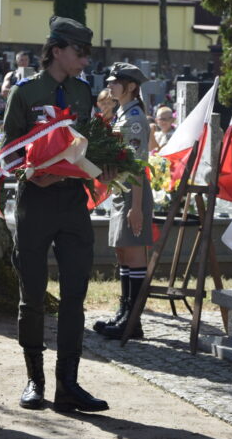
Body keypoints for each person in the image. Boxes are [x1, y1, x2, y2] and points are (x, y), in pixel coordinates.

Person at [3, 16, 110, 413]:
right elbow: (8, 151)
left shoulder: (83, 94)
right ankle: (35, 379)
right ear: (57, 50)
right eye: (79, 53)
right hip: (37, 200)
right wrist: (30, 171)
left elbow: (90, 144)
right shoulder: (26, 92)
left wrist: (107, 161)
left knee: (75, 296)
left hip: (73, 203)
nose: (84, 61)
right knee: (31, 295)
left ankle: (69, 385)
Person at [92, 63, 153, 340]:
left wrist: (137, 207)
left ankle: (133, 320)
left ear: (131, 87)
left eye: (116, 82)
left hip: (133, 193)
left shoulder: (135, 118)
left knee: (134, 252)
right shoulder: (122, 114)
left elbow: (139, 165)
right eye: (109, 81)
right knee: (122, 253)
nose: (110, 85)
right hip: (122, 190)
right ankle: (124, 312)